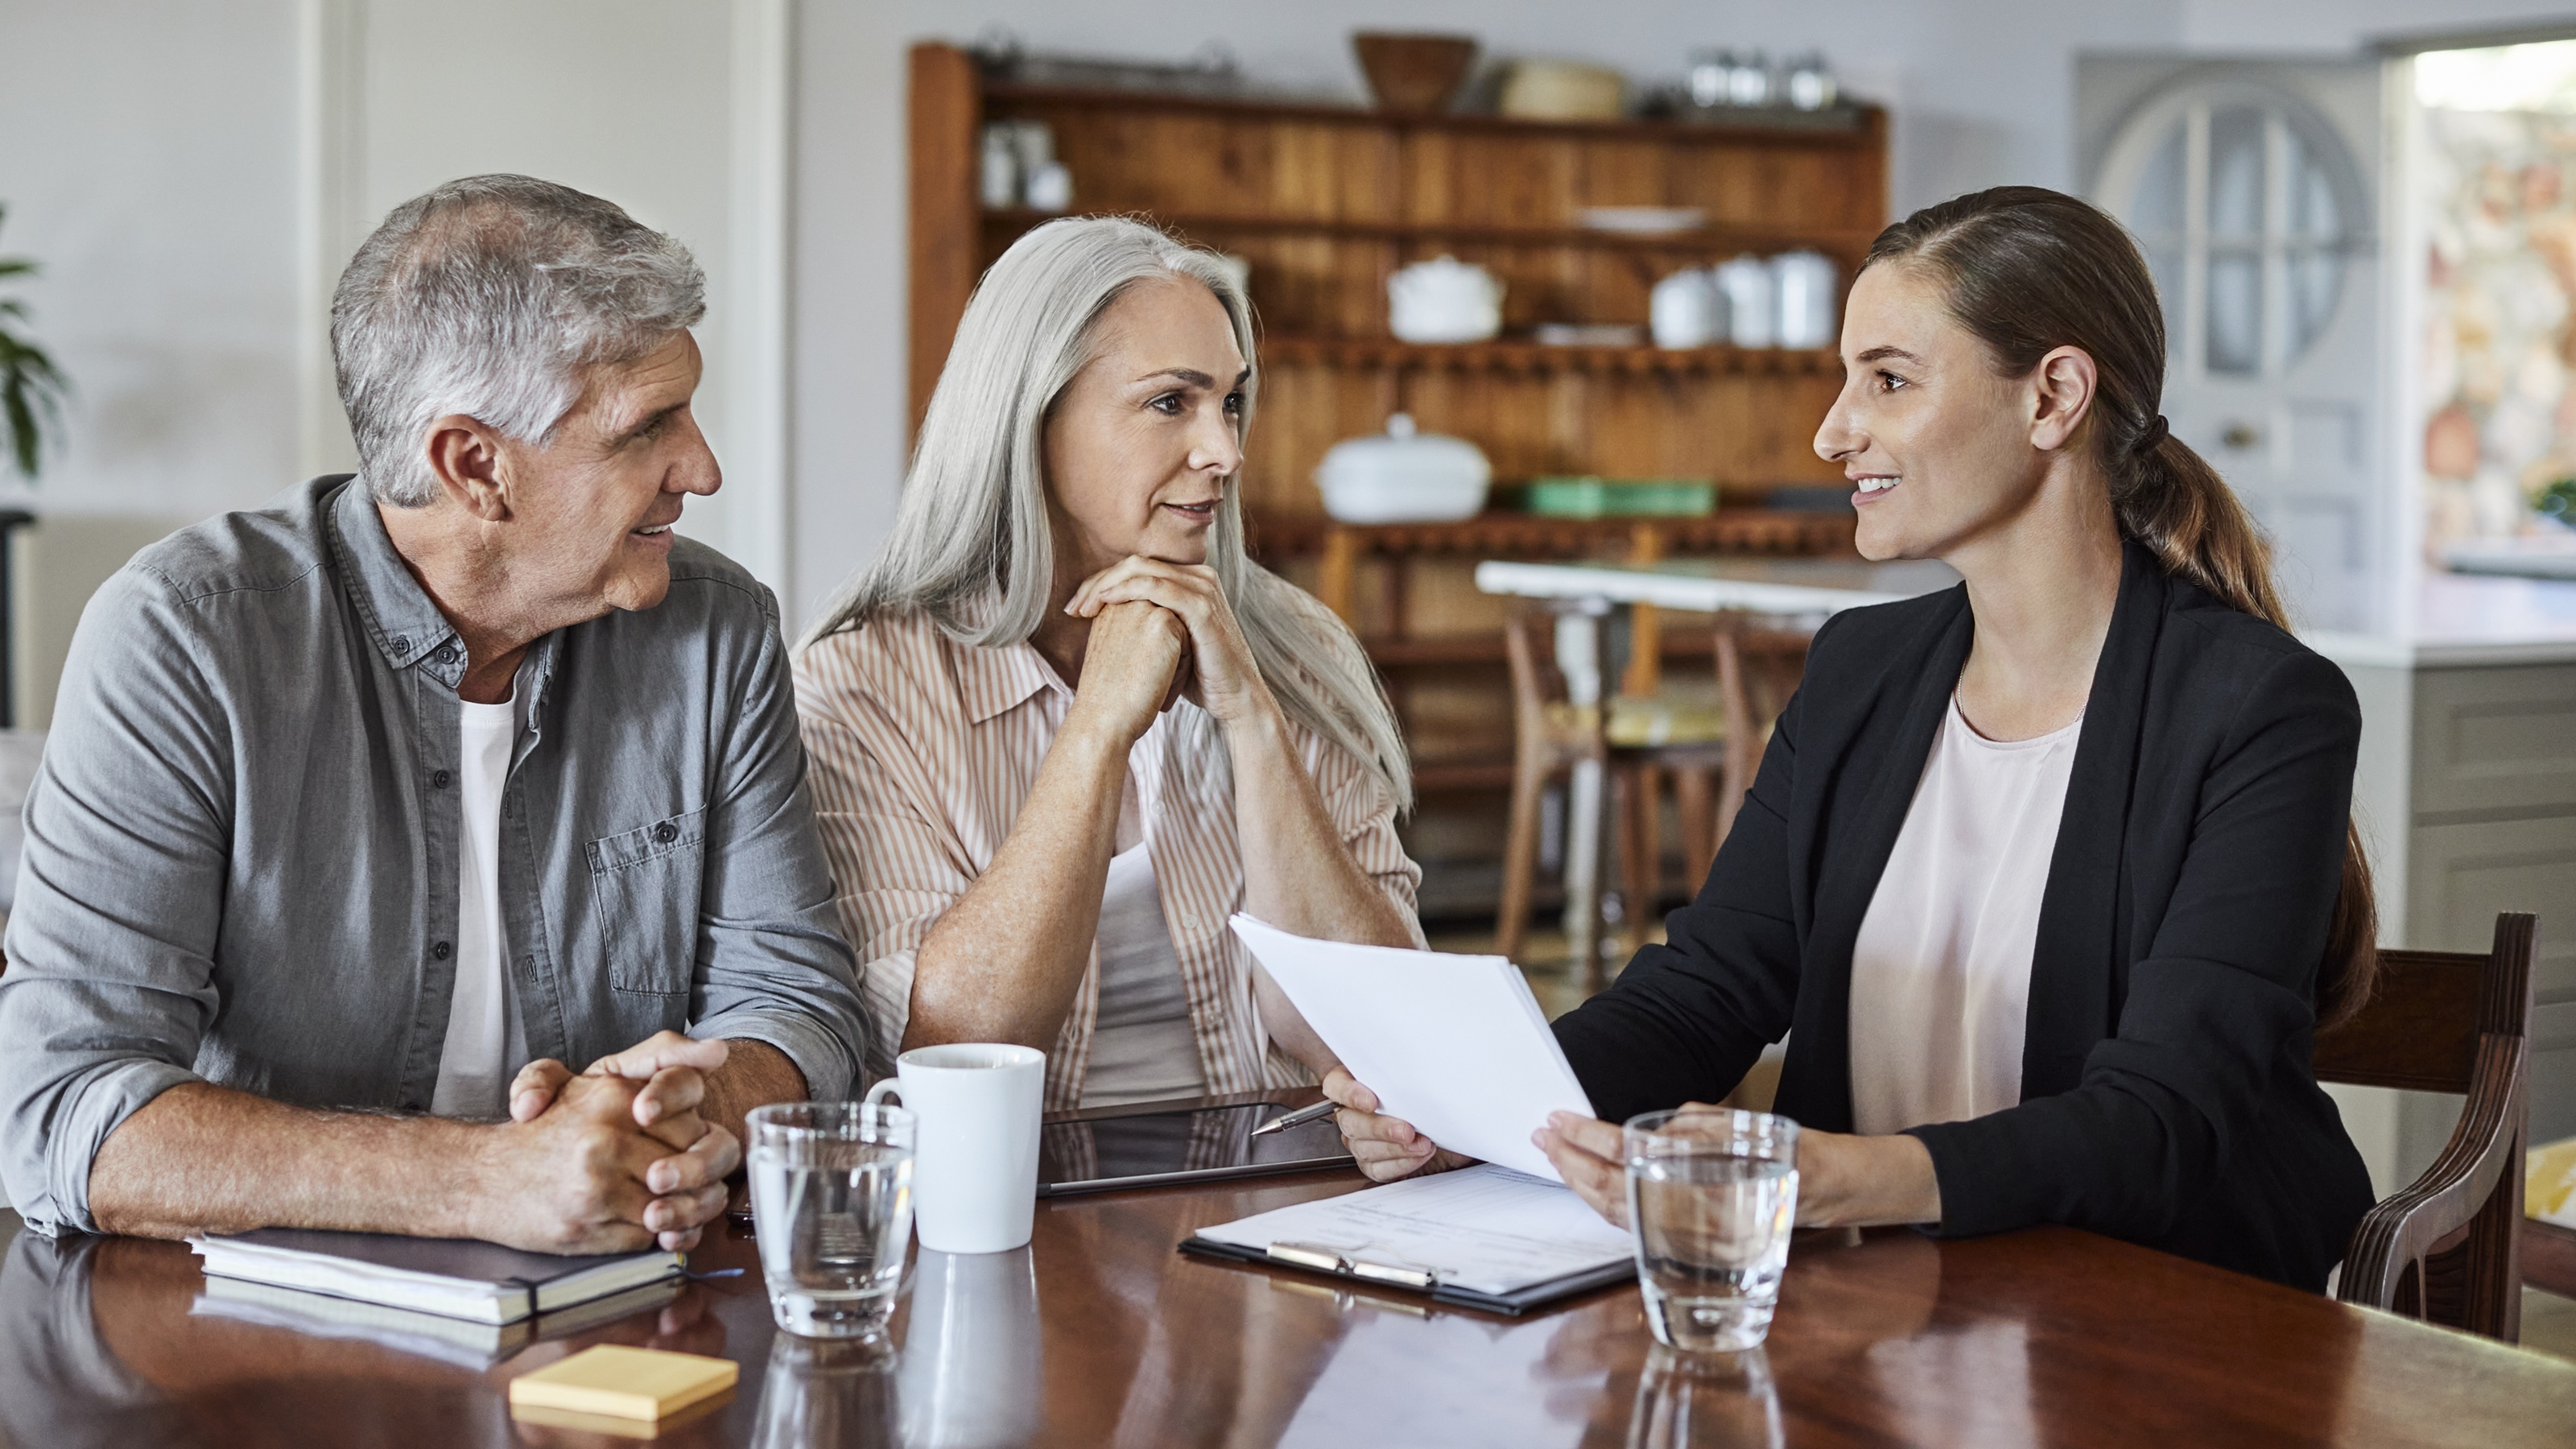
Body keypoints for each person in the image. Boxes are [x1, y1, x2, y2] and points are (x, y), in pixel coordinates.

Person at [1328, 186, 2380, 1291]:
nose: (1833, 431)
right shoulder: (1860, 672)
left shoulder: (2261, 708)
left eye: (1887, 379)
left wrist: (1840, 1178)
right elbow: (1710, 990)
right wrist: (1480, 1109)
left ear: (2054, 397)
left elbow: (2161, 1121)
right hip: (1884, 1306)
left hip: (2159, 1316)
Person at [0, 175, 868, 1253]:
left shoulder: (716, 630)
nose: (702, 468)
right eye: (648, 428)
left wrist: (687, 1114)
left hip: (620, 1315)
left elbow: (804, 1009)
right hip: (246, 1344)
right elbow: (64, 1113)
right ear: (474, 465)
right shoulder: (184, 638)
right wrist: (487, 1182)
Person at [795, 217, 1421, 1114]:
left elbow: (1383, 1043)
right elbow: (955, 1053)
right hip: (1018, 1208)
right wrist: (1096, 727)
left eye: (1230, 401)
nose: (1225, 452)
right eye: (1171, 402)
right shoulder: (859, 689)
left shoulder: (1295, 648)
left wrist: (1251, 720)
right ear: (1029, 419)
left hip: (1281, 1196)